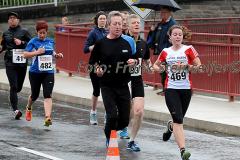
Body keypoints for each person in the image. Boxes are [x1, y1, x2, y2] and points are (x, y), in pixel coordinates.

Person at [153, 25, 201, 160]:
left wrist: (186, 66)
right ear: (170, 37)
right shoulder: (165, 51)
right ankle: (183, 151)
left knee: (178, 119)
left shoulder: (189, 49)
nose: (178, 36)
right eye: (175, 34)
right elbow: (155, 65)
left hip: (185, 89)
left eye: (180, 34)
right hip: (171, 89)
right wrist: (161, 69)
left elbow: (199, 66)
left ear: (182, 37)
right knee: (178, 120)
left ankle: (170, 126)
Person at [90, 11, 137, 146]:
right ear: (109, 25)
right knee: (112, 116)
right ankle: (109, 137)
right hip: (107, 86)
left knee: (124, 121)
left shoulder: (127, 42)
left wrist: (133, 62)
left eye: (120, 24)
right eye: (115, 24)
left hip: (123, 85)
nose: (118, 26)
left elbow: (134, 59)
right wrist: (97, 69)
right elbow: (92, 62)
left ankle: (110, 131)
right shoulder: (101, 43)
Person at [23, 20, 63, 126]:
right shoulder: (33, 41)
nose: (42, 35)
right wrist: (37, 52)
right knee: (34, 95)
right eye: (40, 33)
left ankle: (47, 117)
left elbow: (51, 52)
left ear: (46, 32)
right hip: (35, 72)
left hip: (48, 72)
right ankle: (29, 107)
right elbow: (25, 54)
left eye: (44, 32)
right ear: (37, 32)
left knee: (47, 94)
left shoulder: (50, 41)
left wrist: (57, 55)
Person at [126, 14, 152, 152]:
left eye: (138, 23)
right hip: (122, 81)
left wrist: (151, 67)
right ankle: (122, 125)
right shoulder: (122, 41)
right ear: (128, 26)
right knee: (126, 113)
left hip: (136, 80)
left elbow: (147, 60)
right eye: (134, 23)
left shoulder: (143, 43)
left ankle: (132, 140)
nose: (137, 25)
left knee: (139, 111)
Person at [0, 12, 31, 119]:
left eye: (14, 18)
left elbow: (32, 44)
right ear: (8, 21)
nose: (12, 20)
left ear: (18, 20)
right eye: (10, 18)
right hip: (10, 63)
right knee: (13, 86)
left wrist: (22, 42)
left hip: (22, 63)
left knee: (18, 88)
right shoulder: (5, 33)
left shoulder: (24, 32)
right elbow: (2, 46)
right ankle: (16, 110)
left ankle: (13, 96)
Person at [83, 11, 107, 125]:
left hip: (107, 65)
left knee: (107, 89)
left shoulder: (108, 32)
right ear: (97, 20)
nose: (103, 20)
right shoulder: (93, 33)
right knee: (97, 90)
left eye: (104, 18)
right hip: (94, 65)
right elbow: (85, 49)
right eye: (101, 18)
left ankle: (108, 113)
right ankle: (93, 112)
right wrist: (95, 46)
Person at [147, 7, 177, 94]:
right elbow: (154, 37)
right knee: (162, 71)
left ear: (169, 13)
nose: (162, 14)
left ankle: (168, 90)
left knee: (167, 71)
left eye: (164, 13)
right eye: (161, 13)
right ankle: (165, 89)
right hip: (161, 51)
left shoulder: (173, 24)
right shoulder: (160, 24)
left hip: (169, 52)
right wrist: (152, 30)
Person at [118, 10, 131, 139]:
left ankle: (124, 128)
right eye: (123, 20)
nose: (125, 22)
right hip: (113, 76)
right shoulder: (109, 38)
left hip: (127, 77)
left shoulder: (130, 39)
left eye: (126, 20)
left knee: (126, 103)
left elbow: (134, 57)